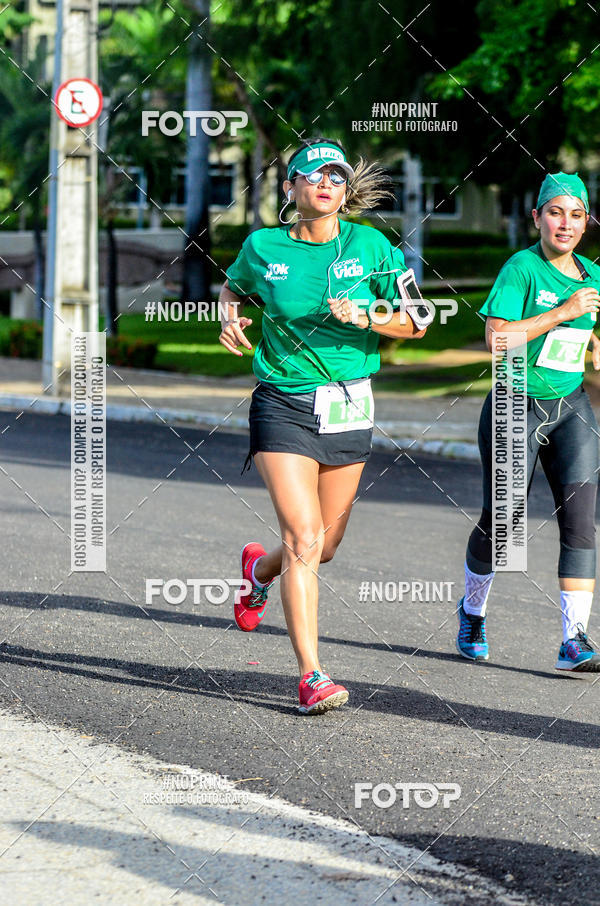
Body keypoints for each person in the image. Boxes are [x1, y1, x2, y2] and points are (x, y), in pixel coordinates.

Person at [218, 137, 428, 713]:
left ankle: (257, 570)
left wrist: (369, 315)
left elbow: (419, 323)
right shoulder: (263, 247)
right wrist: (229, 319)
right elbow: (233, 287)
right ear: (291, 190)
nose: (327, 185)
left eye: (336, 177)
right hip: (281, 401)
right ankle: (311, 675)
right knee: (304, 537)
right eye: (313, 177)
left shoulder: (374, 246)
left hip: (348, 404)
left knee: (326, 545)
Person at [456, 171, 600, 671]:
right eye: (555, 212)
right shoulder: (522, 268)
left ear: (587, 222)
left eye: (576, 214)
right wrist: (562, 312)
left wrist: (592, 342)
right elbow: (496, 341)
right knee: (504, 529)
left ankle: (574, 639)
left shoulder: (593, 275)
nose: (565, 223)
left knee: (582, 524)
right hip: (515, 403)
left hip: (572, 407)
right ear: (536, 216)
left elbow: (586, 329)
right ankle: (472, 611)